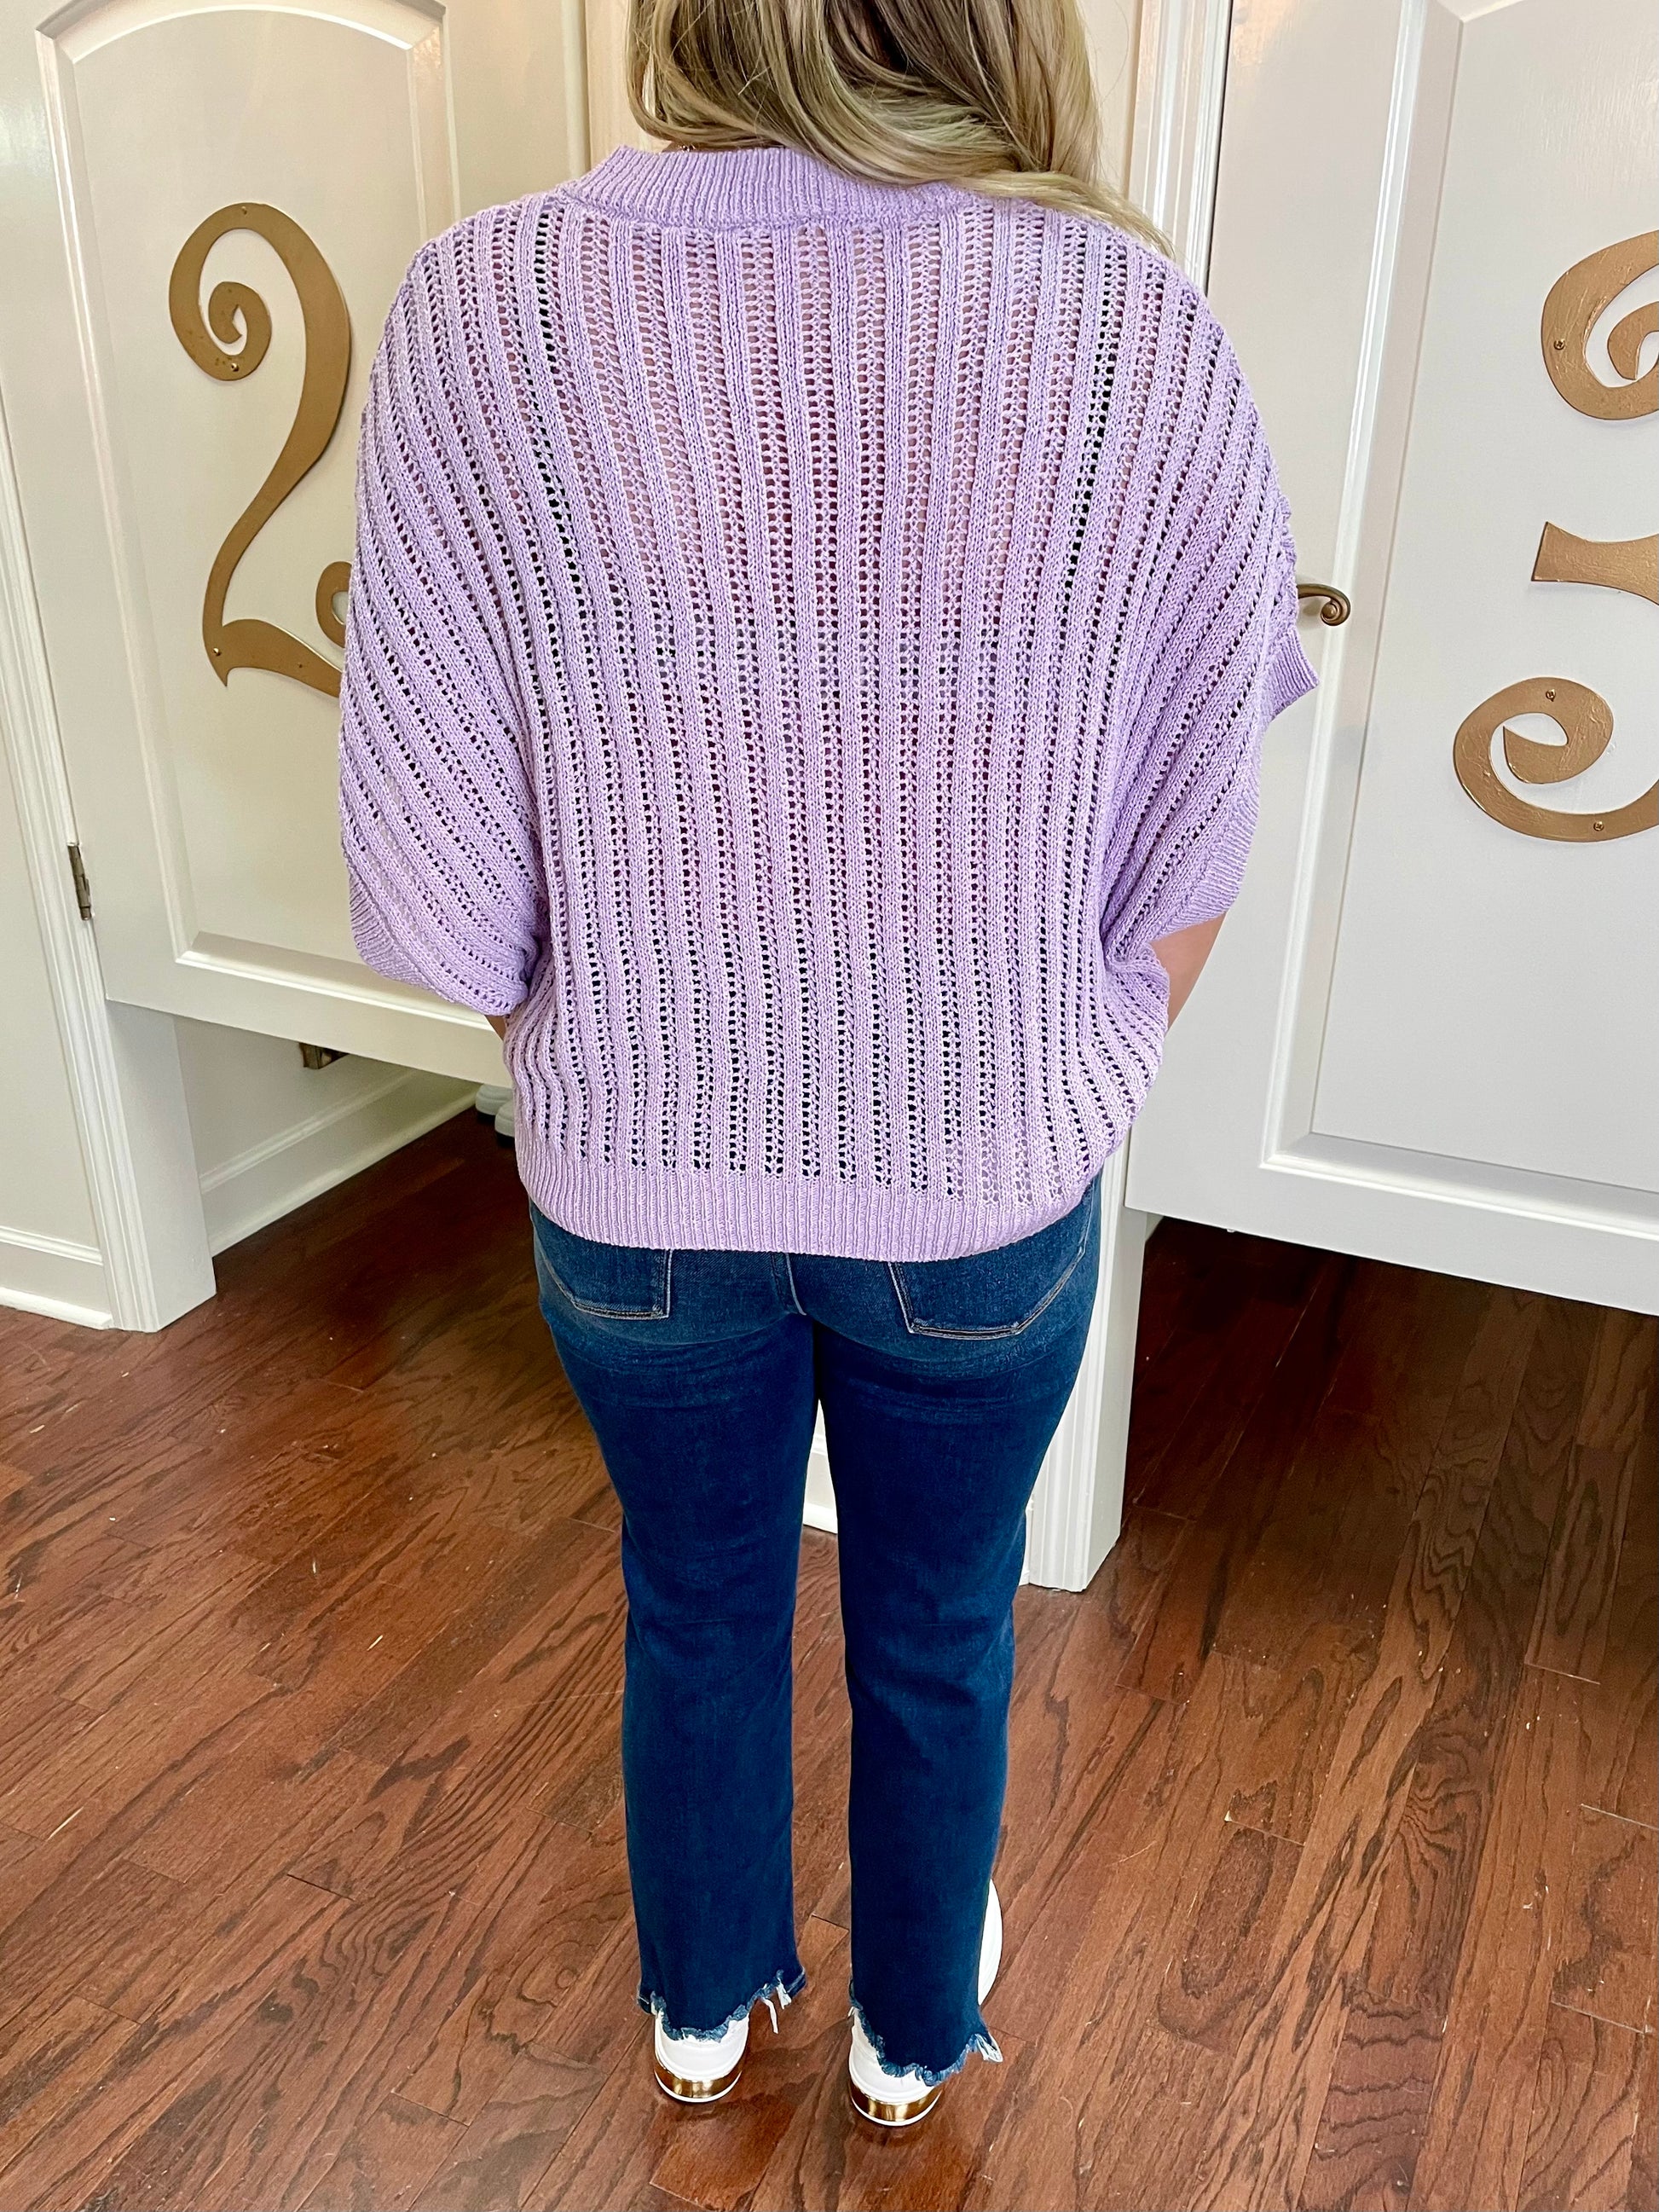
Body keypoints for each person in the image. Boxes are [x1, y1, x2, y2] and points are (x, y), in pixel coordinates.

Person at [338, 0, 1317, 2129]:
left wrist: (590, 1050)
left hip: (628, 1188)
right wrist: (1088, 1058)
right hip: (983, 1180)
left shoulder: (478, 311)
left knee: (692, 1598)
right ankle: (904, 2035)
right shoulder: (1130, 324)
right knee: (940, 1622)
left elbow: (433, 887)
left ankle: (701, 2007)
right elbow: (1198, 819)